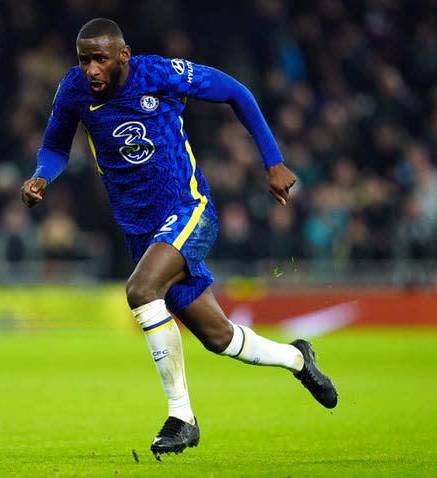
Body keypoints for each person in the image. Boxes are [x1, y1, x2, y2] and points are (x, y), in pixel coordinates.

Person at [20, 18, 337, 458]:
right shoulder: (73, 90)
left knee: (140, 289)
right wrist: (41, 177)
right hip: (141, 231)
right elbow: (55, 147)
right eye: (83, 60)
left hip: (189, 209)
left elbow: (235, 92)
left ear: (122, 56)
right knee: (219, 337)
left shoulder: (160, 74)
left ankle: (181, 417)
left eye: (100, 59)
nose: (91, 69)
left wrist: (273, 161)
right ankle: (299, 359)